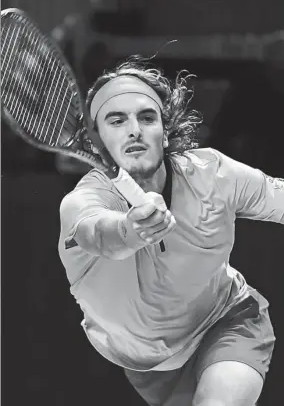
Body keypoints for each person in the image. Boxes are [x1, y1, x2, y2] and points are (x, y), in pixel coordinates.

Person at [58, 56, 283, 406]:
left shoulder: (212, 174)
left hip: (226, 320)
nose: (134, 128)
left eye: (147, 117)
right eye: (116, 120)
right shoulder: (84, 200)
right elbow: (98, 234)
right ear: (97, 139)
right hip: (148, 364)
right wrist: (132, 230)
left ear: (165, 132)